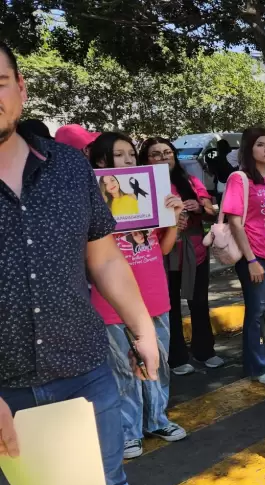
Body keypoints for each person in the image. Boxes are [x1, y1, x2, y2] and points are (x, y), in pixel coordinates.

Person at [0, 41, 157, 485]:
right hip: (5, 392)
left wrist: (143, 330)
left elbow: (104, 257)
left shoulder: (69, 169)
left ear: (21, 89)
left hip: (85, 378)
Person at [88, 133, 189, 459]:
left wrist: (172, 221)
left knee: (157, 364)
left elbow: (162, 248)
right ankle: (129, 432)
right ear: (102, 162)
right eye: (120, 155)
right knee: (123, 371)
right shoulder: (90, 198)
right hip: (111, 301)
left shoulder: (155, 192)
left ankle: (157, 419)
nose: (130, 160)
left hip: (154, 295)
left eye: (132, 154)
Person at [139, 138, 224, 376]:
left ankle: (205, 351)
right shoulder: (141, 185)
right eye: (156, 154)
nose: (163, 157)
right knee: (170, 307)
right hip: (161, 254)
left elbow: (210, 213)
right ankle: (176, 357)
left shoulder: (191, 181)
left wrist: (198, 207)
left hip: (195, 252)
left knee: (199, 303)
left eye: (167, 152)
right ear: (146, 159)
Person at [223, 127, 265, 385]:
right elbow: (235, 222)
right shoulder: (239, 179)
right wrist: (251, 260)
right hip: (255, 256)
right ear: (248, 149)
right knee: (257, 311)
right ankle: (258, 366)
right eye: (260, 145)